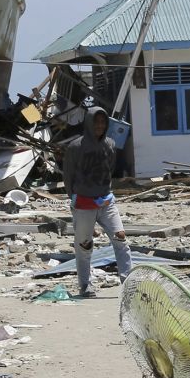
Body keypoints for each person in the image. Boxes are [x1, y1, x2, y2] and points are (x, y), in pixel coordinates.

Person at [61, 107, 132, 297]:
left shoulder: (110, 144)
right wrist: (73, 197)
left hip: (106, 202)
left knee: (121, 238)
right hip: (84, 204)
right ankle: (85, 286)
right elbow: (68, 175)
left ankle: (128, 283)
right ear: (89, 123)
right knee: (84, 245)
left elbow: (110, 170)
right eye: (96, 122)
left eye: (103, 122)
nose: (100, 125)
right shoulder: (75, 147)